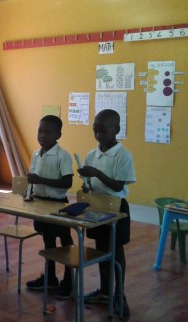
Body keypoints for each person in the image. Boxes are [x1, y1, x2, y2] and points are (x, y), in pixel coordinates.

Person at [78, 109, 135, 317]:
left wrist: (96, 173)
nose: (98, 135)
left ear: (116, 130)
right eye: (95, 131)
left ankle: (120, 295)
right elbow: (91, 185)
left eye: (103, 131)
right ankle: (104, 291)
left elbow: (118, 186)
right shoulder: (92, 154)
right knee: (102, 250)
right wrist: (87, 185)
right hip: (97, 208)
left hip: (117, 209)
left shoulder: (123, 155)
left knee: (116, 252)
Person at [24, 115, 74, 299]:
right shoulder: (36, 154)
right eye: (40, 131)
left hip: (58, 205)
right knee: (48, 242)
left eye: (48, 132)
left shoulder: (62, 155)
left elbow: (67, 182)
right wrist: (29, 191)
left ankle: (69, 281)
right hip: (40, 204)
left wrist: (40, 180)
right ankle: (50, 277)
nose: (42, 135)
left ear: (58, 134)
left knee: (66, 242)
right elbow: (33, 179)